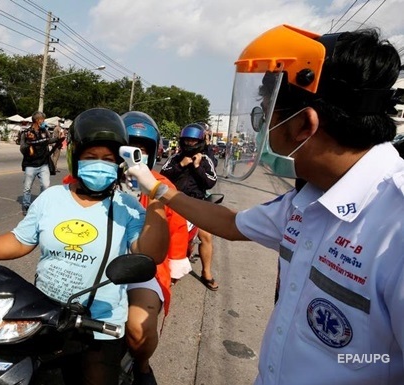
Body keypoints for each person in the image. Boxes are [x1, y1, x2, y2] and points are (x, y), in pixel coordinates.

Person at [125, 25, 404, 384]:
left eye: (265, 116)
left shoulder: (394, 223)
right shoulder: (308, 199)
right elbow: (229, 223)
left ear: (304, 124)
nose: (261, 128)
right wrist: (159, 190)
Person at [0, 107, 169, 385]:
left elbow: (151, 253)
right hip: (44, 317)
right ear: (75, 158)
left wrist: (156, 197)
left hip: (100, 326)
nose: (100, 164)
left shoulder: (127, 207)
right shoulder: (51, 197)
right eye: (91, 157)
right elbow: (19, 241)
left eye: (108, 159)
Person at [121, 111, 190, 385]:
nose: (135, 154)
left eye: (142, 149)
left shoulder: (162, 187)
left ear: (152, 152)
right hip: (94, 258)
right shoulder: (99, 177)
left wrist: (175, 262)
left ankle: (142, 365)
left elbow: (177, 228)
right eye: (129, 146)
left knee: (140, 329)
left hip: (143, 267)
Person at [160, 123, 218, 290]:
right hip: (173, 202)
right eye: (187, 140)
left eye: (193, 141)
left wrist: (197, 167)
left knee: (206, 237)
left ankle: (206, 272)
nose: (189, 144)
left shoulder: (206, 158)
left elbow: (210, 182)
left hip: (196, 204)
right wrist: (182, 165)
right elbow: (162, 176)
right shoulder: (176, 158)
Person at [19, 111, 63, 215]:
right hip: (31, 164)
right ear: (38, 120)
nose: (44, 122)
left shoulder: (45, 131)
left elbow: (48, 140)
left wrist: (58, 139)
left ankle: (41, 204)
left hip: (43, 164)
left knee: (46, 186)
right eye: (42, 120)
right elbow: (22, 149)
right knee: (27, 187)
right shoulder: (26, 133)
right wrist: (29, 142)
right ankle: (26, 205)